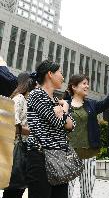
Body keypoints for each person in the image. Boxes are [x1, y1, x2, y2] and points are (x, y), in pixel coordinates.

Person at [66, 73, 109, 198]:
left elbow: (106, 103)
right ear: (74, 87)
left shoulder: (91, 104)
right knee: (65, 192)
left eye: (87, 83)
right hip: (68, 155)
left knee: (87, 192)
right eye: (84, 83)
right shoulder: (64, 105)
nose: (87, 86)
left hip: (88, 154)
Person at [26, 60, 75, 198]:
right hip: (40, 157)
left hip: (58, 157)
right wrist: (65, 109)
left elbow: (72, 126)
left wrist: (62, 113)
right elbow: (58, 122)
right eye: (60, 73)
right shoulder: (37, 94)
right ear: (50, 74)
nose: (63, 77)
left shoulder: (54, 99)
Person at [2, 72, 37, 198]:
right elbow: (13, 125)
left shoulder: (26, 100)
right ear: (29, 83)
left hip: (21, 148)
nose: (37, 86)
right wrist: (34, 131)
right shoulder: (19, 99)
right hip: (16, 148)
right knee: (14, 189)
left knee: (17, 189)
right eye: (35, 83)